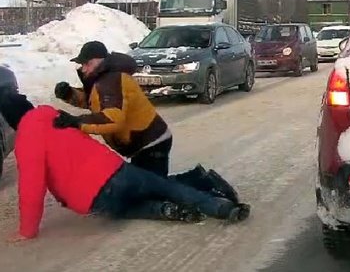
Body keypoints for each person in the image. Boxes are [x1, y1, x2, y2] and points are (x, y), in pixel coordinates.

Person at [10, 105, 251, 241]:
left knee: (125, 208)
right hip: (116, 171)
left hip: (93, 199)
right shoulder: (55, 117)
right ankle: (222, 207)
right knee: (165, 187)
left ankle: (163, 210)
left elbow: (32, 186)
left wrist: (27, 232)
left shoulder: (26, 139)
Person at [53, 41, 238, 203]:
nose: (83, 68)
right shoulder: (103, 80)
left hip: (151, 142)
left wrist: (77, 122)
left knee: (155, 190)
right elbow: (96, 103)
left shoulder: (110, 80)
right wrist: (70, 95)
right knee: (150, 188)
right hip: (147, 141)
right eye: (82, 64)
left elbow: (112, 119)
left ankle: (203, 181)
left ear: (101, 60)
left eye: (87, 63)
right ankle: (200, 179)